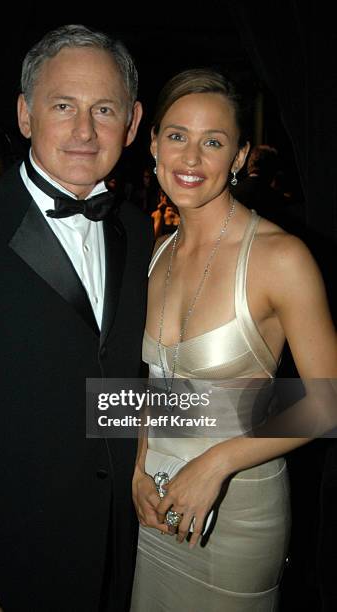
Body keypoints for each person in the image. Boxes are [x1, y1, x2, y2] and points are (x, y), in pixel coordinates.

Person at [0, 25, 152, 612]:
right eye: (63, 106)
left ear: (133, 120)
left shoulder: (139, 229)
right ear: (24, 115)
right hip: (7, 562)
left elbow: (122, 392)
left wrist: (251, 431)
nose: (84, 130)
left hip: (129, 548)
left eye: (104, 109)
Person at [130, 68, 337, 611]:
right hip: (153, 505)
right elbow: (159, 390)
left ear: (240, 156)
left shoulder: (280, 257)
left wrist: (218, 462)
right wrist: (135, 467)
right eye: (177, 135)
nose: (191, 158)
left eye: (213, 141)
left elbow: (327, 402)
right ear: (153, 143)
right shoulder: (154, 253)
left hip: (236, 510)